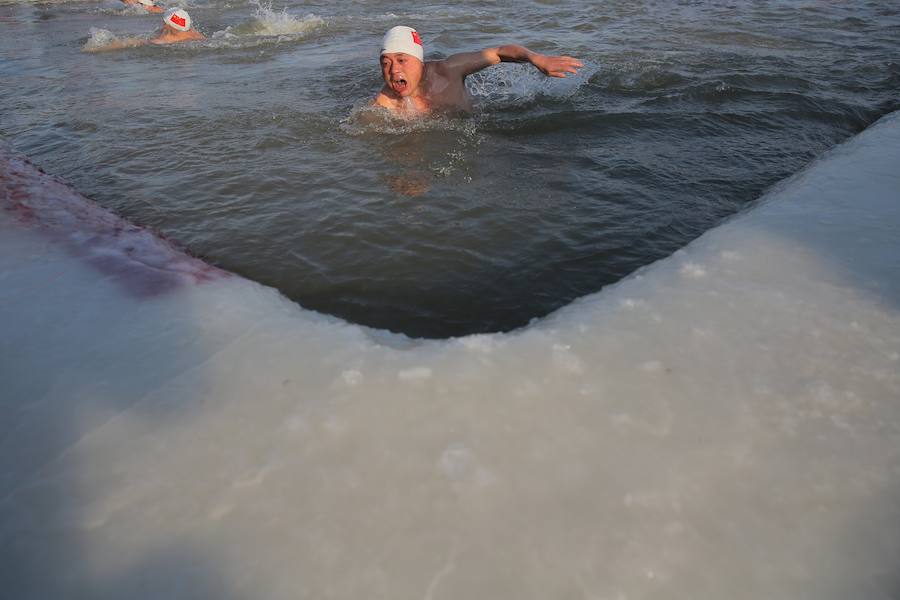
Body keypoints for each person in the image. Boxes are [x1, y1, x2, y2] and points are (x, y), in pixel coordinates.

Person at [374, 26, 583, 114]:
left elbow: (499, 52)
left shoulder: (449, 70)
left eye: (401, 60)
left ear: (420, 62)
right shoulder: (385, 101)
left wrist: (537, 59)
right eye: (386, 62)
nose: (393, 70)